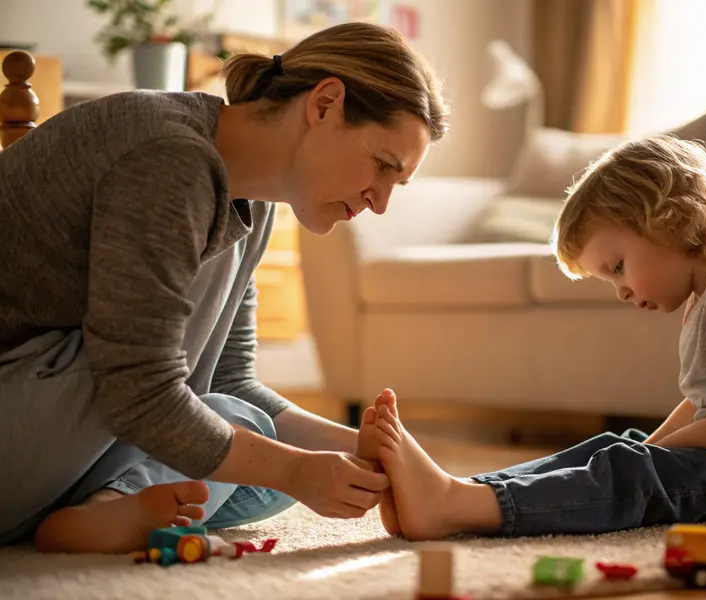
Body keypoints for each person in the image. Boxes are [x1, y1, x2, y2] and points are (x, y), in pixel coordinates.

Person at [0, 21, 449, 553]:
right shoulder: (170, 160)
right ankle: (105, 504)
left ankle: (102, 510)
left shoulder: (252, 201)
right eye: (382, 166)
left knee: (250, 432)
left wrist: (378, 458)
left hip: (65, 430)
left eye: (395, 185)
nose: (379, 203)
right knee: (269, 461)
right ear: (325, 103)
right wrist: (297, 471)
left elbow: (231, 384)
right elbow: (140, 390)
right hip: (22, 415)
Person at [357, 135, 706, 540]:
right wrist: (650, 448)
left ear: (673, 221)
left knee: (634, 468)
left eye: (619, 267)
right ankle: (464, 493)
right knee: (619, 448)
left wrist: (652, 456)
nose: (622, 291)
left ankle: (458, 506)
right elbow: (704, 407)